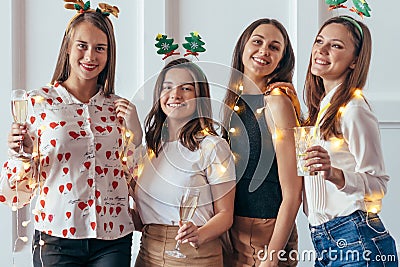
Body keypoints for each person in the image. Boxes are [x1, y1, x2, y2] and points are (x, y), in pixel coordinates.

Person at [0, 4, 142, 267]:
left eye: (100, 48)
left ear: (109, 54)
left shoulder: (118, 108)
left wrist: (135, 133)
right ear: (67, 47)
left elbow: (132, 174)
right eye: (82, 45)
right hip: (55, 239)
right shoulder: (38, 103)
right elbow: (16, 192)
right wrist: (21, 154)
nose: (90, 55)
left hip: (112, 239)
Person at [303, 16, 398, 266]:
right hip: (325, 239)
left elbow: (379, 184)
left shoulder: (354, 109)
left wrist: (335, 173)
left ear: (355, 61)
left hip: (356, 236)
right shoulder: (323, 108)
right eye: (319, 41)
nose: (321, 50)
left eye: (336, 45)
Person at [133, 58, 236, 267]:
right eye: (167, 87)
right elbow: (141, 220)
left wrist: (200, 233)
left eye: (186, 88)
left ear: (199, 98)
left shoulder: (212, 147)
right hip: (148, 254)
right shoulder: (148, 151)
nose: (175, 95)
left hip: (195, 256)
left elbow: (225, 215)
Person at [222, 18, 302, 267]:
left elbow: (293, 193)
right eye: (257, 41)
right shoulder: (231, 103)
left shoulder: (276, 103)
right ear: (243, 46)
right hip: (230, 232)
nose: (264, 50)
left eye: (274, 47)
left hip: (266, 233)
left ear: (282, 59)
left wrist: (272, 256)